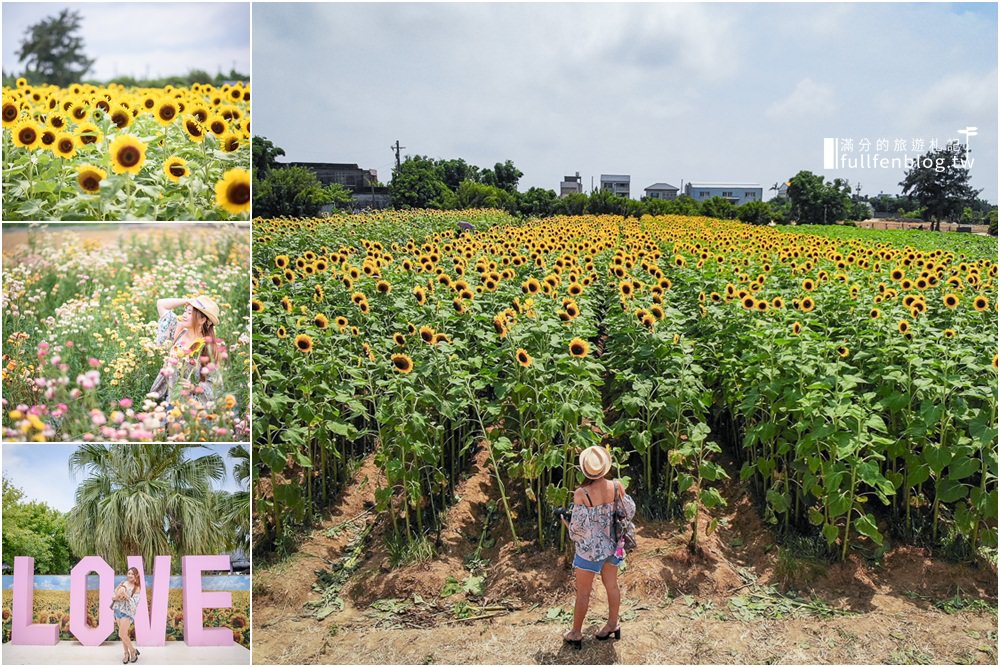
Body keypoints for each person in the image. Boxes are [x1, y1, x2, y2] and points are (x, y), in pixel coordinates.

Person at [560, 445, 636, 649]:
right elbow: (628, 512)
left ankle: (576, 633)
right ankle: (613, 624)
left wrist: (566, 523)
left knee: (583, 593)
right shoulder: (617, 486)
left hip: (590, 550)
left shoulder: (582, 493)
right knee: (611, 585)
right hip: (613, 545)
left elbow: (578, 529)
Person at [149, 295, 223, 406]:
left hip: (189, 406)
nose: (184, 315)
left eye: (189, 313)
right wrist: (187, 301)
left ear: (202, 319)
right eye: (185, 311)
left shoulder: (207, 347)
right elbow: (161, 303)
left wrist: (193, 387)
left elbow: (215, 385)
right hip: (166, 397)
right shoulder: (178, 331)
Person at [112, 566, 142, 663]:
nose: (130, 575)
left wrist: (126, 595)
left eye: (132, 574)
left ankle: (133, 651)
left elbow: (134, 604)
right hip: (117, 611)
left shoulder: (136, 588)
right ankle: (126, 653)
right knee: (123, 635)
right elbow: (113, 596)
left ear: (136, 576)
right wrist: (117, 596)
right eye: (128, 573)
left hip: (127, 613)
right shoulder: (122, 583)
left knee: (121, 634)